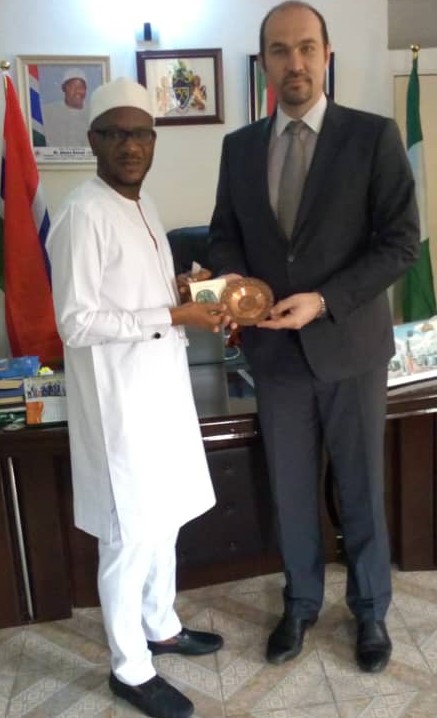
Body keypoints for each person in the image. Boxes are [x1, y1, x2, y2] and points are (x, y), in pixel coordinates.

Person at [209, 1, 420, 674]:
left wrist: (324, 300)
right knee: (291, 489)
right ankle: (299, 603)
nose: (293, 62)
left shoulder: (373, 136)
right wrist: (234, 287)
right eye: (279, 50)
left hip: (349, 349)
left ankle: (369, 610)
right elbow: (223, 235)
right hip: (274, 355)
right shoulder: (239, 148)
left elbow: (401, 243)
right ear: (264, 61)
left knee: (360, 488)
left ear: (326, 55)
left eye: (305, 47)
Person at [47, 77, 225, 718]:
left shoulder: (144, 204)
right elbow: (77, 323)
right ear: (94, 140)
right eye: (117, 134)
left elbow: (136, 293)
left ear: (154, 140)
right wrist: (173, 315)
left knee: (164, 520)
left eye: (141, 134)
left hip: (162, 393)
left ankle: (161, 625)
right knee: (128, 536)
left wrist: (183, 288)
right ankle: (129, 666)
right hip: (119, 404)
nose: (131, 146)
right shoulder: (81, 214)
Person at [43, 67, 89, 146]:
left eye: (81, 87)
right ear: (63, 88)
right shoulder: (47, 112)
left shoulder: (93, 114)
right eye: (72, 87)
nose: (77, 91)